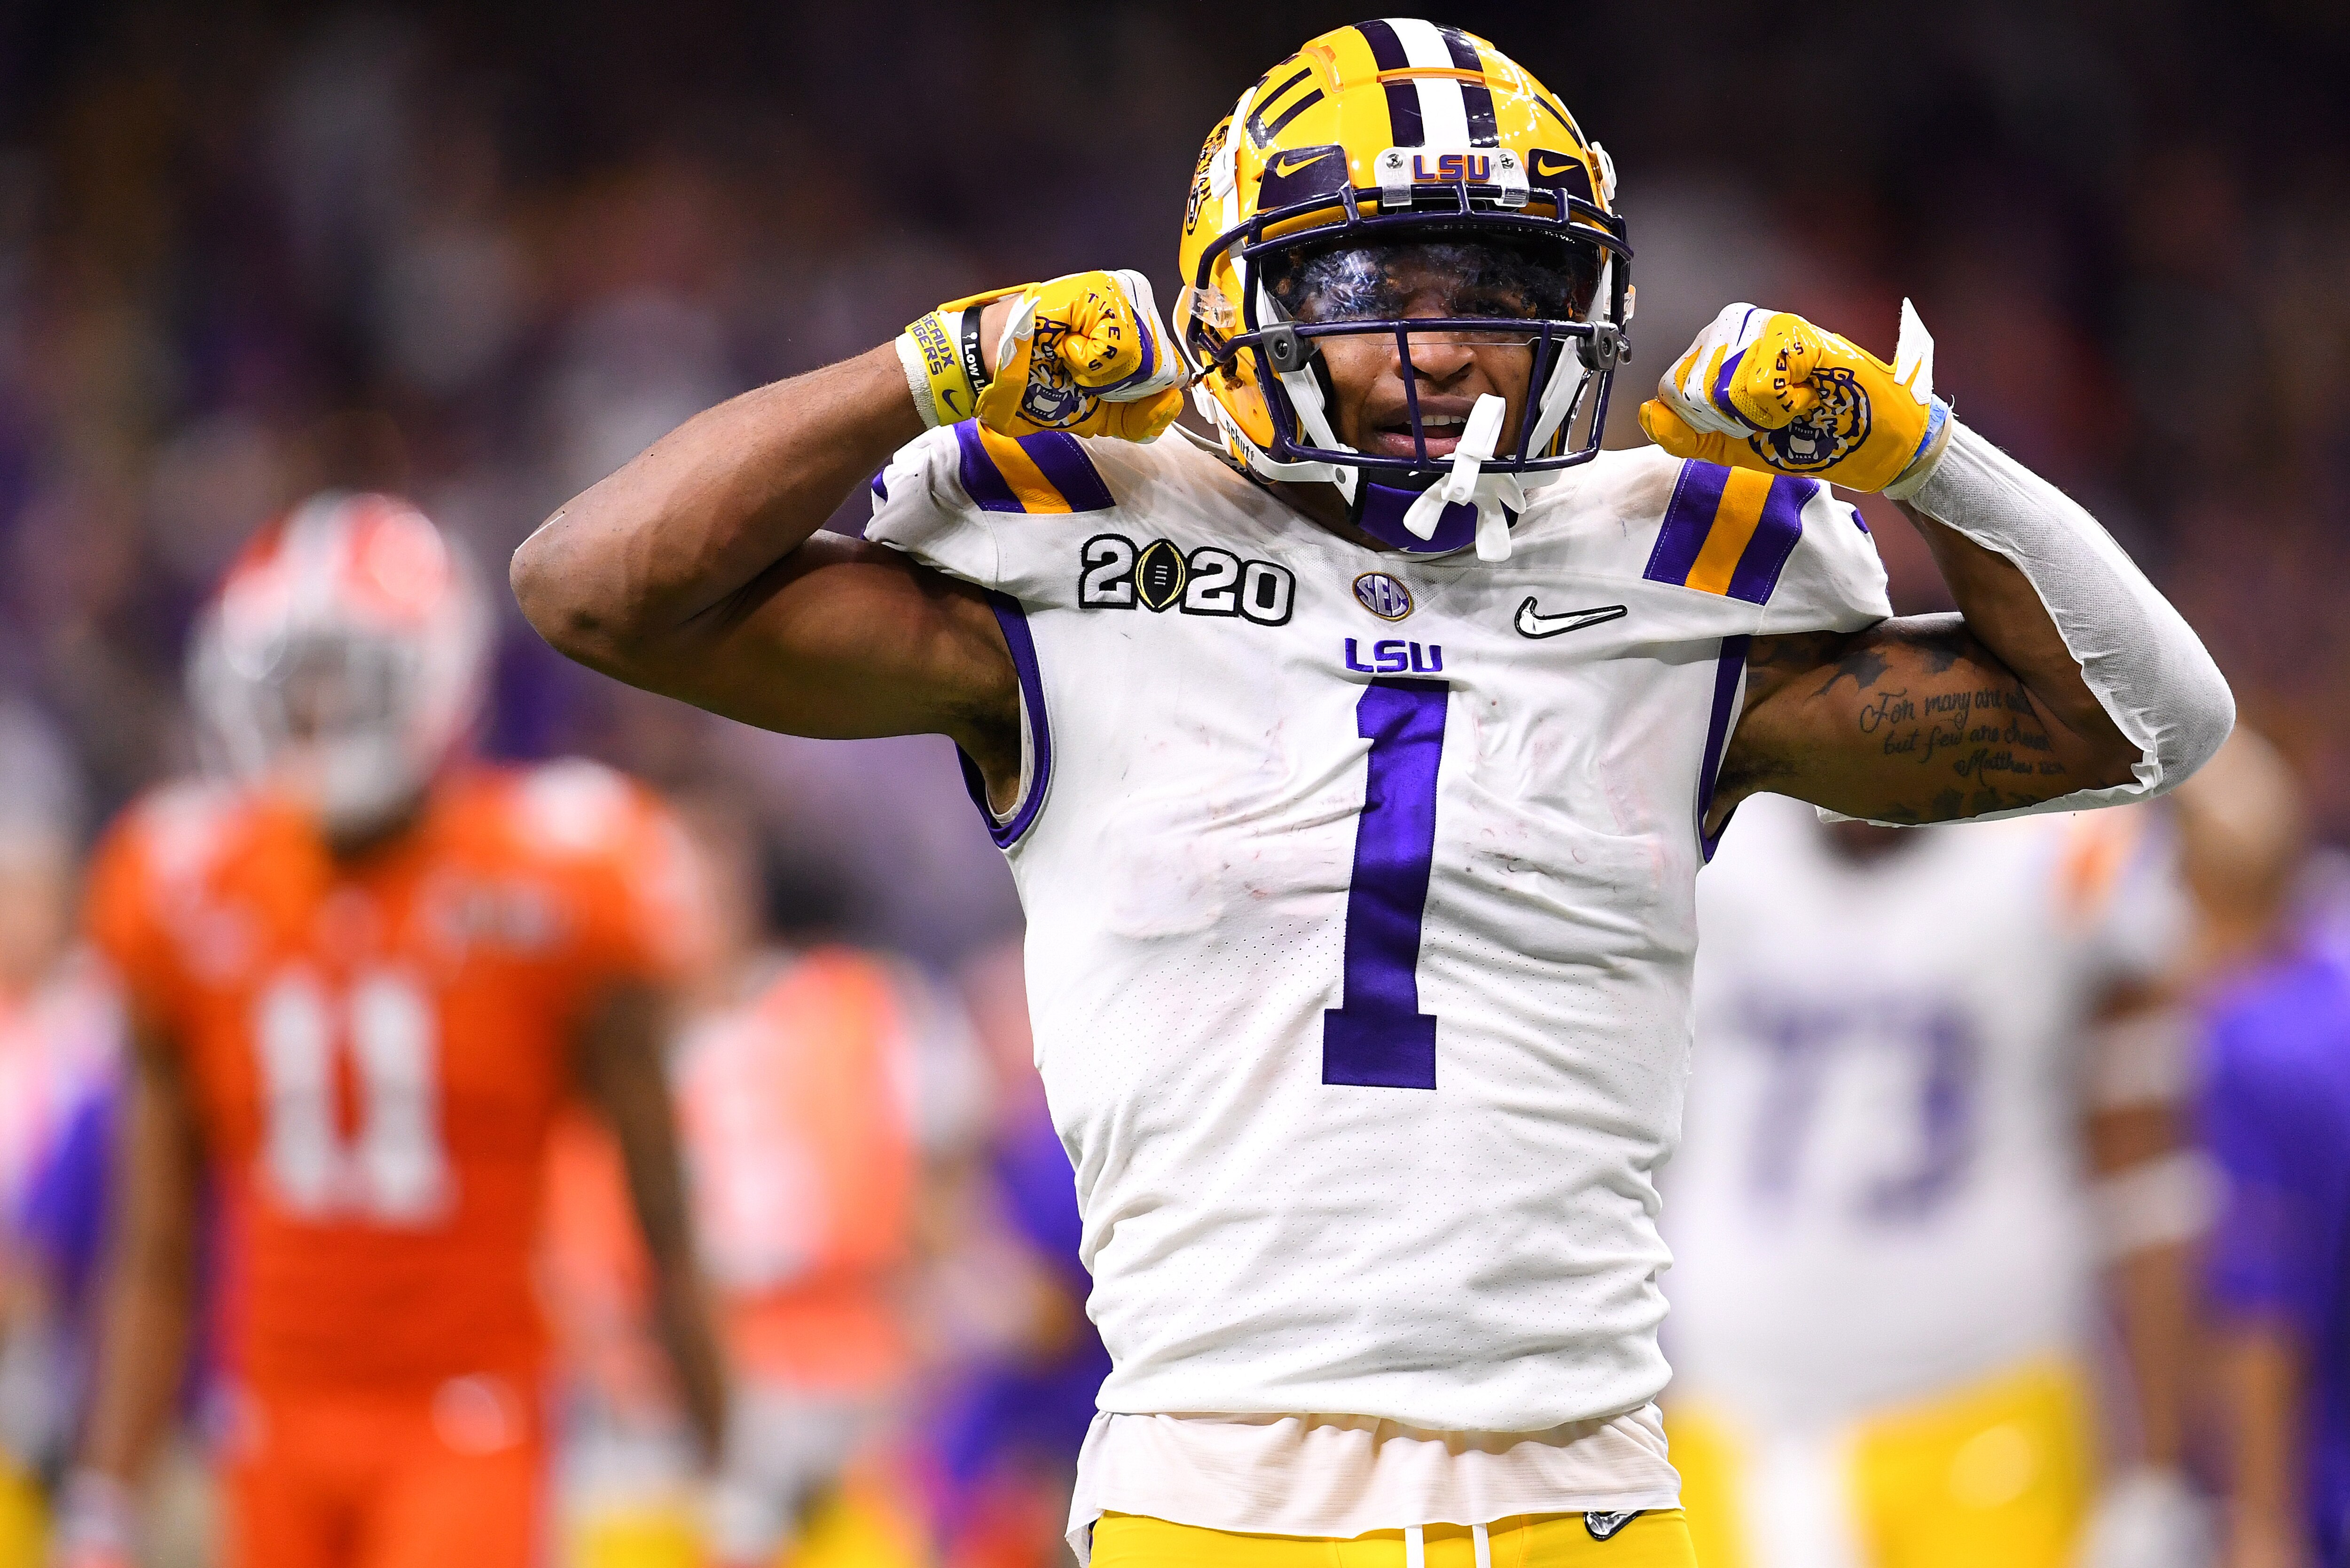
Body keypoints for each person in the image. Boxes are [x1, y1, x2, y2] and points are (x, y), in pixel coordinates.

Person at [510, 21, 2234, 1566]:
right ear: (1241, 297)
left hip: (1584, 1489)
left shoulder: (1677, 574)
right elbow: (592, 590)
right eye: (1376, 285)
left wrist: (1921, 453)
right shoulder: (1085, 547)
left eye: (1500, 287)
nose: (1449, 345)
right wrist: (931, 365)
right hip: (1218, 1491)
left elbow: (2144, 721)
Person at [57, 493, 728, 1568]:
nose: (323, 714)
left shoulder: (552, 877)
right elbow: (155, 1244)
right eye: (300, 684)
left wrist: (726, 1457)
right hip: (267, 1419)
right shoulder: (183, 884)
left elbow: (663, 1209)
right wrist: (104, 1496)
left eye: (353, 680)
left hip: (469, 1415)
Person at [1664, 796, 2209, 1568]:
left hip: (1985, 1409)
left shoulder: (2055, 847)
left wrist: (2153, 1474)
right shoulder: (1693, 829)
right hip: (1725, 1415)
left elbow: (2145, 1188)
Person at [2179, 732, 2350, 1568]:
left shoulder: (2248, 1046)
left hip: (2316, 1499)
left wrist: (2259, 1522)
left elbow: (2265, 1313)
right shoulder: (2331, 998)